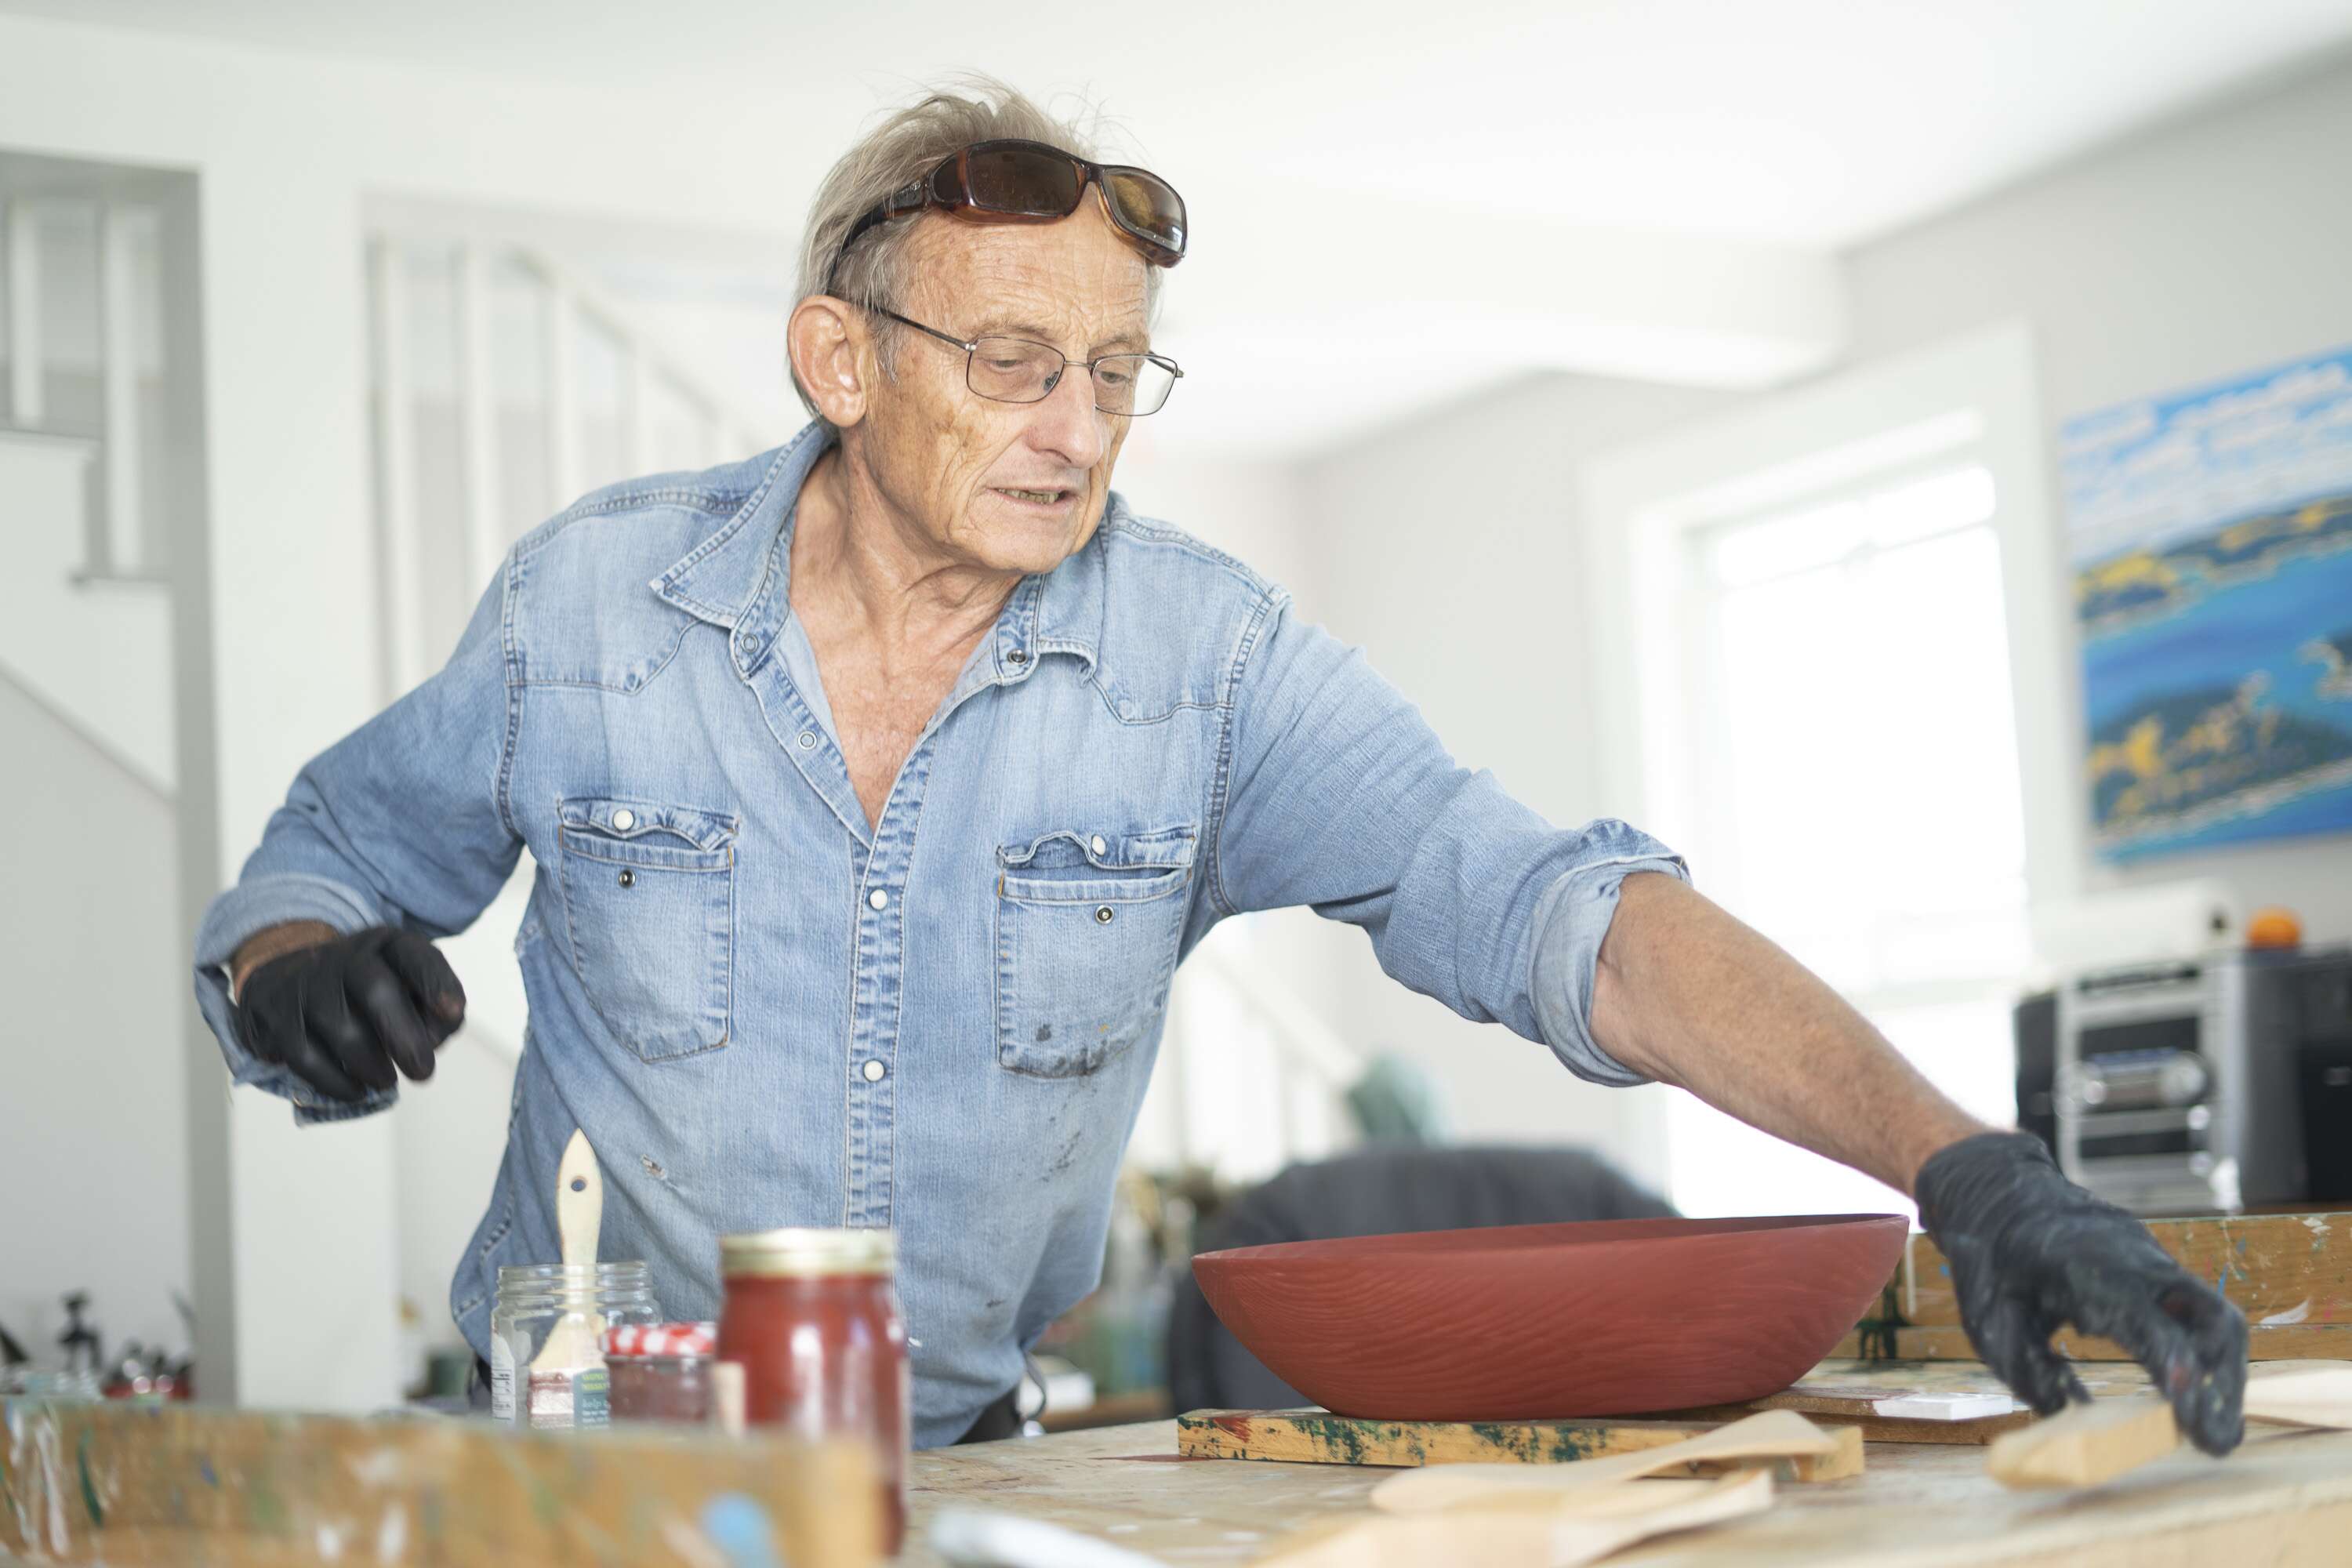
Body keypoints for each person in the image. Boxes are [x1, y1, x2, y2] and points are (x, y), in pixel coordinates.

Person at [193, 80, 2245, 1451]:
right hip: (588, 1491)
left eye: (1110, 371)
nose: (1073, 426)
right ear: (841, 360)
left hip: (978, 1479)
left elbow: (1564, 914)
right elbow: (319, 856)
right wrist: (295, 968)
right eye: (1009, 360)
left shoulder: (1211, 663)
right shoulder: (590, 608)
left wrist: (1966, 1165)